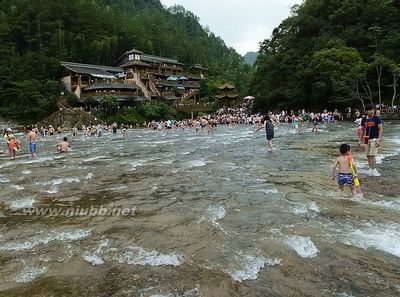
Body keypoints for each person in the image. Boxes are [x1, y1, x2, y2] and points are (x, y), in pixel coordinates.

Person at [360, 104, 383, 176]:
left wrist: (378, 139)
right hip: (366, 139)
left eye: (373, 110)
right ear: (366, 111)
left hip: (374, 139)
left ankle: (374, 169)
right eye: (370, 110)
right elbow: (362, 130)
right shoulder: (364, 119)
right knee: (368, 155)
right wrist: (360, 140)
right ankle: (370, 169)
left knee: (372, 155)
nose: (372, 111)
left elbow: (380, 129)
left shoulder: (376, 118)